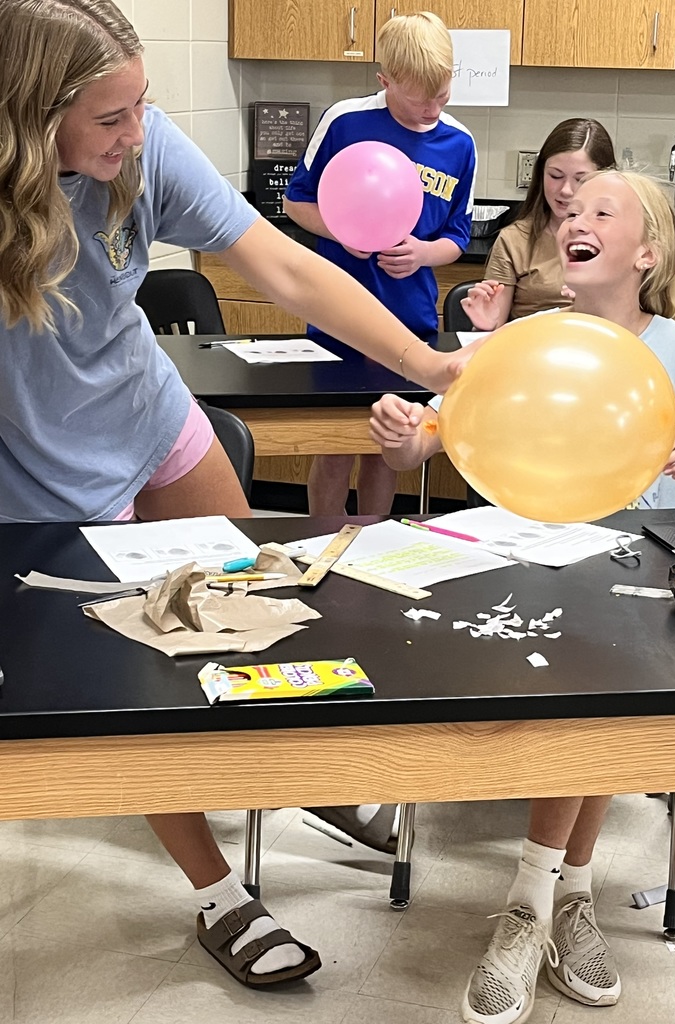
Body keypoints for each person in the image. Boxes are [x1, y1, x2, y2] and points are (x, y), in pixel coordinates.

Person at [0, 0, 474, 992]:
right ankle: (220, 894)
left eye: (142, 105)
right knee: (130, 680)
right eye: (111, 118)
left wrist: (428, 365)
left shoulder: (143, 146)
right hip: (39, 470)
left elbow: (286, 265)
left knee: (261, 607)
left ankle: (307, 778)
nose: (137, 135)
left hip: (150, 419)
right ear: (33, 118)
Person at [370, 168, 675, 1023]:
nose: (572, 218)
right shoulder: (521, 339)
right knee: (583, 697)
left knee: (593, 688)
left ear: (649, 253)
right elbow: (426, 445)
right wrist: (403, 434)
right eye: (569, 209)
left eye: (600, 211)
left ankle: (530, 904)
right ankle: (569, 894)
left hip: (632, 587)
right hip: (514, 571)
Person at [283, 11, 477, 517]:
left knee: (387, 448)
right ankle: (321, 541)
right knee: (334, 446)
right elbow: (296, 202)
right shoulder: (345, 122)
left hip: (409, 321)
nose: (431, 110)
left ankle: (374, 539)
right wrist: (342, 232)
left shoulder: (460, 143)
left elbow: (458, 236)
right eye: (418, 100)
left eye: (442, 95)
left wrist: (423, 253)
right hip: (337, 318)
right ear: (385, 81)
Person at [460, 118, 615, 332]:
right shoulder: (515, 240)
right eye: (555, 176)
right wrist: (485, 327)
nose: (566, 190)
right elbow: (492, 331)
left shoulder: (623, 239)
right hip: (528, 347)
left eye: (581, 179)